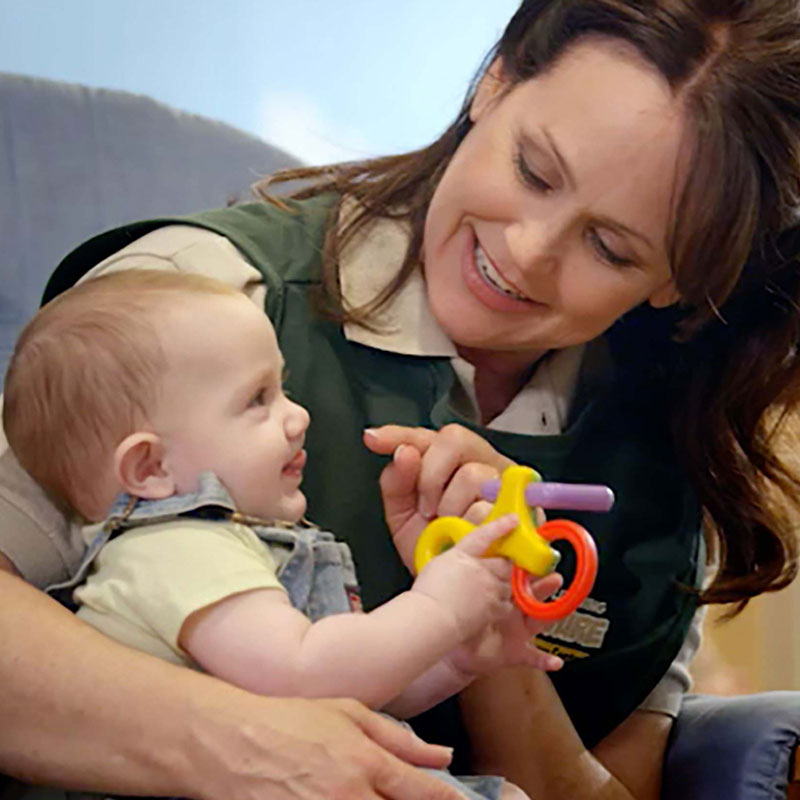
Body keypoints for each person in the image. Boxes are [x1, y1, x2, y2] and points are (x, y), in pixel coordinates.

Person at [2, 1, 800, 798]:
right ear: (495, 80)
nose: (526, 253)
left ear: (682, 284)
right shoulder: (195, 300)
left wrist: (479, 609)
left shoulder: (663, 472)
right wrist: (249, 748)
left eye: (609, 247)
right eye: (532, 169)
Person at [3, 269, 563, 800]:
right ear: (150, 468)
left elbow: (350, 693)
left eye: (284, 388)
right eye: (257, 400)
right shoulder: (174, 550)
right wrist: (441, 605)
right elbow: (305, 673)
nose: (297, 416)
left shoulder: (245, 542)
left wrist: (459, 657)